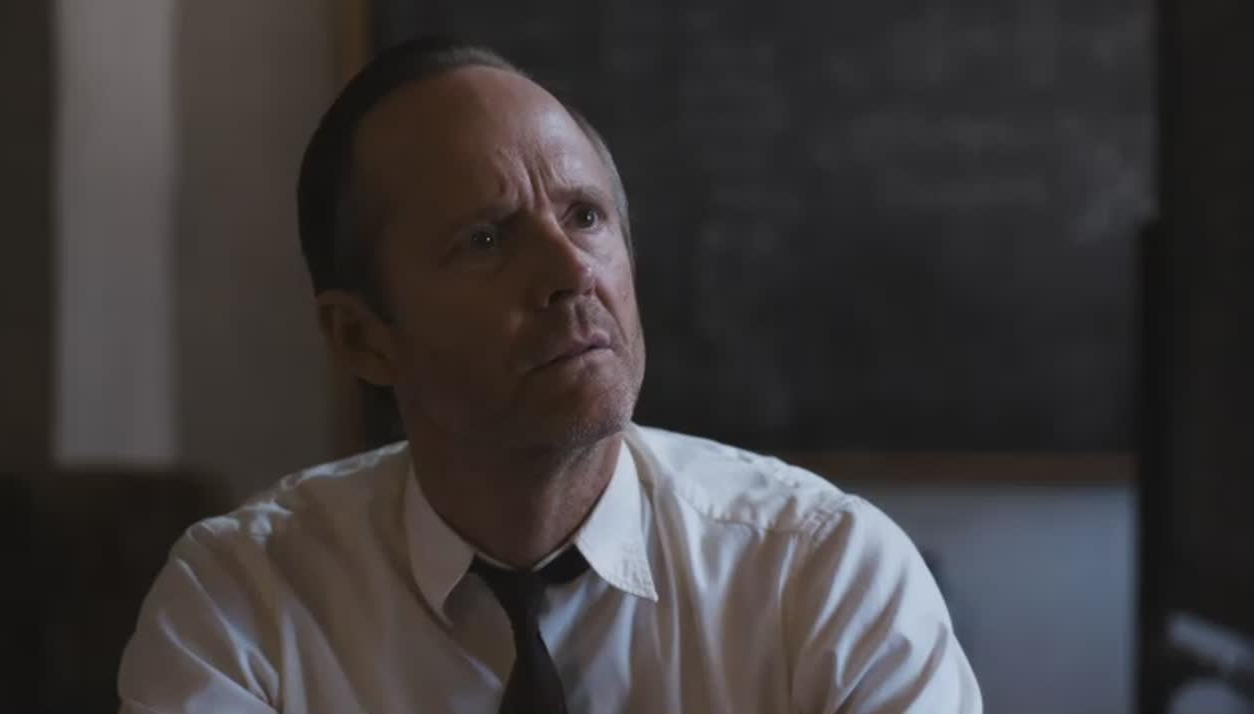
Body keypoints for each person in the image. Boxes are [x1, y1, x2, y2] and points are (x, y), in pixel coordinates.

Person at [117, 36, 982, 714]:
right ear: (363, 338)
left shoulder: (824, 576)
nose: (572, 273)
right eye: (486, 239)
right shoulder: (244, 602)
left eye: (585, 216)